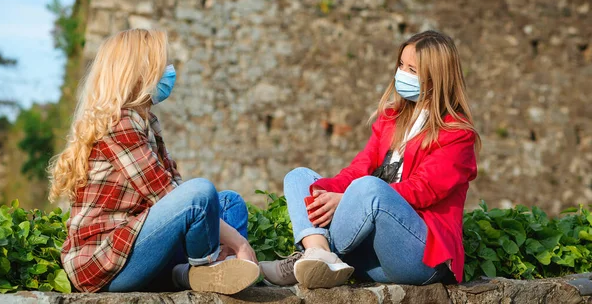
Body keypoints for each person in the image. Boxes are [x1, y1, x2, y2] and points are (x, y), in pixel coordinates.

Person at [260, 30, 480, 288]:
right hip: (371, 258)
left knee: (369, 188)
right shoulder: (392, 118)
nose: (401, 73)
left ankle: (316, 254)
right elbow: (359, 168)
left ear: (436, 79)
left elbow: (423, 190)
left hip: (419, 258)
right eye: (401, 65)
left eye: (412, 69)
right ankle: (319, 253)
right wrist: (325, 191)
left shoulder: (457, 134)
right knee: (300, 177)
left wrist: (349, 200)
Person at [48, 29, 259, 294]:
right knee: (201, 193)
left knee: (229, 202)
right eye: (160, 66)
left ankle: (206, 272)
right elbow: (169, 194)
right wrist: (238, 241)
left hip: (137, 246)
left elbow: (177, 190)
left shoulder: (148, 123)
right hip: (105, 262)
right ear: (137, 72)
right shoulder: (118, 122)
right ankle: (209, 270)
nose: (167, 72)